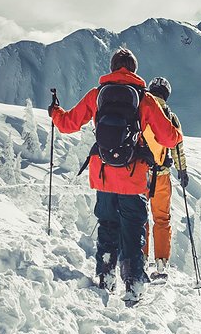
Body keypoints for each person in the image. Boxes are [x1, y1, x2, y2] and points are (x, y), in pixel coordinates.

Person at [49, 47, 182, 304]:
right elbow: (168, 137)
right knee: (133, 230)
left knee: (108, 226)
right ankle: (133, 285)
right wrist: (177, 133)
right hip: (133, 178)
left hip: (104, 175)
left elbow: (68, 124)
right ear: (133, 70)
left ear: (112, 68)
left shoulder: (97, 95)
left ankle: (105, 276)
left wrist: (55, 112)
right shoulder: (145, 99)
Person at [142, 76, 189, 278]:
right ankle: (161, 263)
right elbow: (177, 146)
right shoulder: (171, 116)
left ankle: (140, 257)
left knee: (139, 217)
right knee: (161, 219)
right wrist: (182, 170)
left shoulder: (141, 109)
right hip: (161, 175)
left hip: (141, 173)